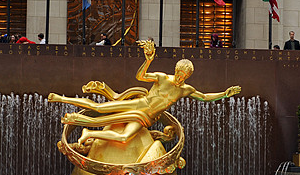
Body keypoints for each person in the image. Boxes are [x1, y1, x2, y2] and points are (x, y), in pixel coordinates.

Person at [48, 39, 241, 148]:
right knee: (99, 108)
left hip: (147, 119)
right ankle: (61, 99)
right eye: (180, 73)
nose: (182, 77)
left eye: (186, 75)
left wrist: (225, 94)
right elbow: (140, 76)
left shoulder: (185, 90)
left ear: (189, 76)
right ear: (176, 70)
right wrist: (148, 60)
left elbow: (205, 97)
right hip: (138, 105)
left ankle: (89, 132)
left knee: (124, 138)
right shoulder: (163, 77)